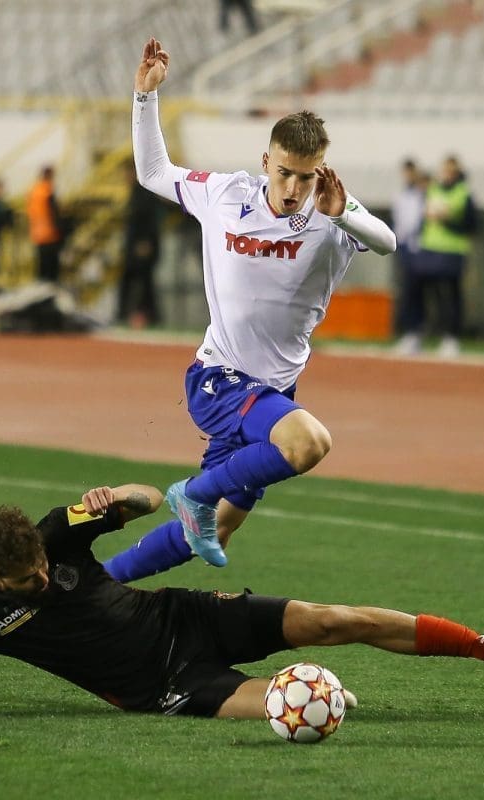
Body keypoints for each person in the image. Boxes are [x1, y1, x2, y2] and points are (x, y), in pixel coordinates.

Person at [0, 482, 484, 723]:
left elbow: (154, 497)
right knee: (288, 705)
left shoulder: (56, 532)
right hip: (163, 685)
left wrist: (118, 495)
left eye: (42, 565)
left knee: (332, 619)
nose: (40, 576)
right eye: (25, 578)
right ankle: (318, 700)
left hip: (182, 615)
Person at [102, 38, 396, 579]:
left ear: (321, 173)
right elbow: (153, 172)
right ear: (266, 162)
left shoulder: (334, 214)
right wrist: (145, 97)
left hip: (273, 393)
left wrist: (344, 213)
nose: (293, 187)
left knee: (213, 531)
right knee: (310, 443)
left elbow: (387, 242)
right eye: (284, 172)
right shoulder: (225, 194)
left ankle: (100, 584)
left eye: (306, 176)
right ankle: (193, 492)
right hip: (219, 378)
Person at [406, 155, 476, 359]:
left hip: (452, 250)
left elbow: (471, 225)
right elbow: (423, 219)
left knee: (450, 296)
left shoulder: (464, 193)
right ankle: (415, 334)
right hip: (429, 248)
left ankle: (451, 337)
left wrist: (446, 220)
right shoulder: (432, 190)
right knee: (417, 290)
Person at [117, 163, 166, 329]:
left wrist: (146, 242)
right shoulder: (134, 192)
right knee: (137, 281)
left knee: (143, 282)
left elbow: (149, 220)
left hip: (143, 246)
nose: (125, 177)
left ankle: (145, 315)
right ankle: (135, 313)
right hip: (135, 245)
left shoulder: (144, 193)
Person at [391, 158, 425, 354]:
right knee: (408, 291)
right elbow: (399, 221)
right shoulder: (401, 195)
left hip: (421, 247)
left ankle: (418, 332)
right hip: (404, 246)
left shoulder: (422, 194)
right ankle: (410, 333)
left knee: (418, 291)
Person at [27, 165, 63, 284]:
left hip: (37, 233)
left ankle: (41, 285)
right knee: (52, 268)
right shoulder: (48, 191)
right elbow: (54, 212)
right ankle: (51, 286)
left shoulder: (34, 190)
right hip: (50, 233)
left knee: (41, 266)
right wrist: (61, 229)